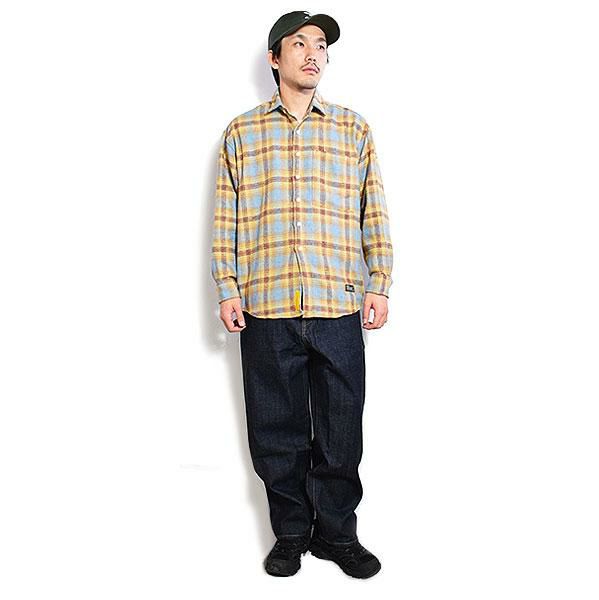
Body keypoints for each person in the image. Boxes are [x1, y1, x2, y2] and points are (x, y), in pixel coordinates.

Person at [210, 11, 393, 579]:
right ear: (275, 58)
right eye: (299, 44)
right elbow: (225, 216)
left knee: (341, 430)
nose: (314, 54)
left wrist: (380, 281)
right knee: (276, 430)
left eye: (321, 46)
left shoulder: (352, 129)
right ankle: (291, 533)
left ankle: (338, 535)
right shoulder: (242, 133)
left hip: (338, 302)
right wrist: (227, 287)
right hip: (266, 303)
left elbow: (373, 210)